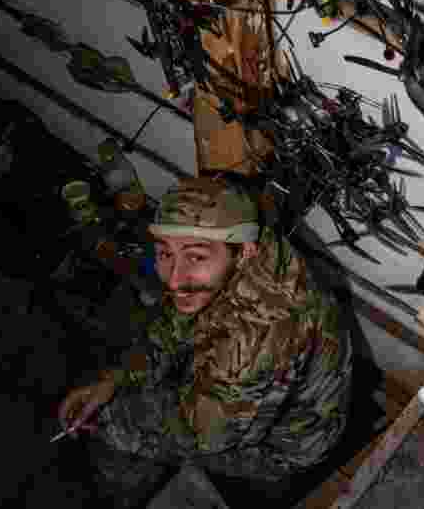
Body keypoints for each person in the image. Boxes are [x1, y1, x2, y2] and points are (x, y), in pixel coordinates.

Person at [56, 177, 353, 507]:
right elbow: (174, 319)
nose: (174, 277)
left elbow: (207, 436)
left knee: (115, 432)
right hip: (268, 390)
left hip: (289, 445)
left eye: (196, 257)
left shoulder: (256, 339)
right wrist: (116, 378)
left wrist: (114, 414)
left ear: (244, 253)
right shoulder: (252, 245)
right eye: (165, 253)